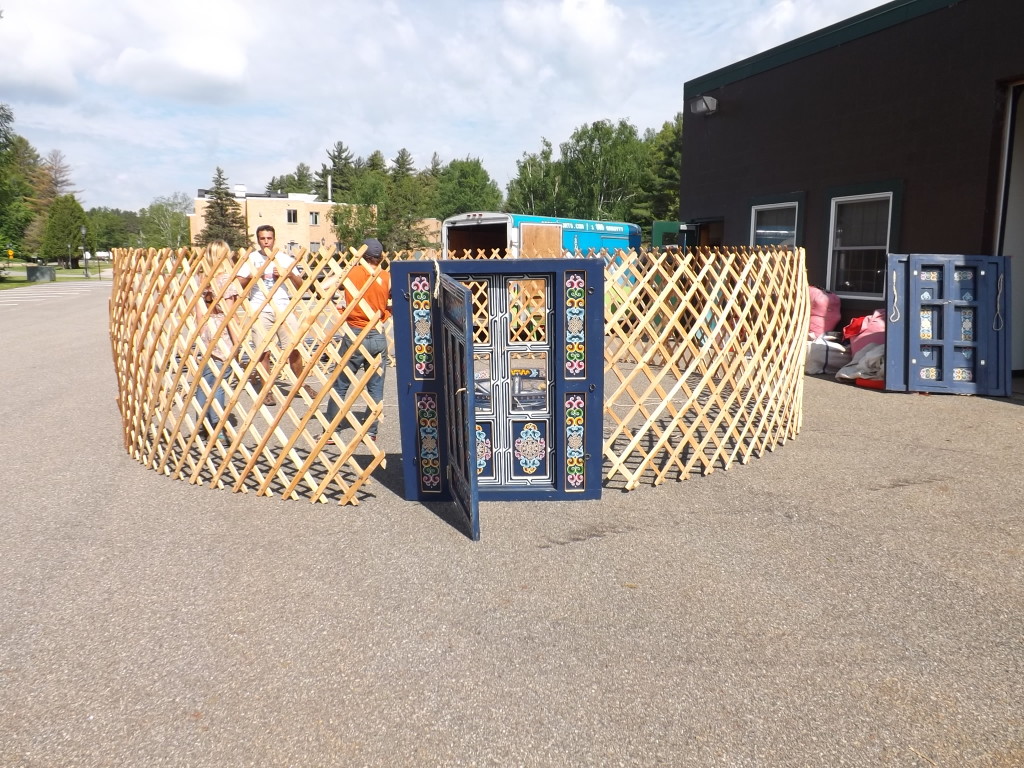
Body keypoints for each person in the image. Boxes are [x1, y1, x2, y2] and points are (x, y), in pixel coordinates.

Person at [236, 224, 315, 405]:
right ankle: (266, 390)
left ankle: (301, 384)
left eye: (269, 238)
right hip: (259, 308)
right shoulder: (251, 259)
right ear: (258, 240)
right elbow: (238, 283)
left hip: (283, 308)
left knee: (293, 349)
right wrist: (253, 276)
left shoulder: (284, 259)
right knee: (263, 352)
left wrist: (288, 275)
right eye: (262, 238)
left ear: (274, 239)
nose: (266, 242)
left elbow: (300, 285)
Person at [324, 238, 391, 443]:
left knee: (341, 383)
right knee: (375, 387)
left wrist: (348, 269)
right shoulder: (386, 276)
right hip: (378, 335)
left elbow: (324, 286)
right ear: (380, 259)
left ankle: (331, 428)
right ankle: (371, 431)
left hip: (354, 334)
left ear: (361, 255)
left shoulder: (352, 273)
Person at [192, 240, 239, 440]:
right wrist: (237, 341)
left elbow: (199, 313)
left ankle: (201, 423)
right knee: (218, 382)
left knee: (205, 379)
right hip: (223, 332)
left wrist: (202, 334)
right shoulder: (225, 279)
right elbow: (229, 314)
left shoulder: (201, 278)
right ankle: (217, 427)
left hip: (208, 331)